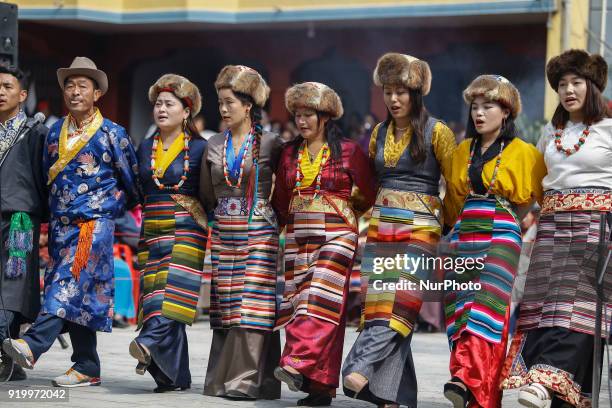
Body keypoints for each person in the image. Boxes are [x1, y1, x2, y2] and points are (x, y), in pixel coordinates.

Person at [2, 56, 139, 387]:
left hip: (93, 224)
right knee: (79, 292)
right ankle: (87, 365)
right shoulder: (53, 133)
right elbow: (46, 183)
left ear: (97, 93)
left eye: (83, 86)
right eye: (70, 85)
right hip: (63, 227)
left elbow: (132, 184)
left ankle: (33, 345)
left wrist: (107, 212)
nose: (75, 92)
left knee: (69, 282)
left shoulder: (112, 134)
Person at [342, 52, 456, 408]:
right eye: (388, 91)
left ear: (417, 93)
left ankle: (358, 365)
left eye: (401, 91)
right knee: (380, 304)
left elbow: (454, 185)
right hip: (382, 224)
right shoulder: (377, 133)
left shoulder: (438, 131)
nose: (393, 99)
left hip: (422, 224)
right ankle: (395, 396)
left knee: (402, 302)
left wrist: (447, 225)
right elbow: (370, 183)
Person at [501, 49, 612, 408]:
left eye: (576, 82)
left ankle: (546, 376)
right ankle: (568, 394)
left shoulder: (609, 127)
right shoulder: (552, 131)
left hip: (596, 227)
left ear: (592, 86)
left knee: (577, 308)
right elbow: (536, 183)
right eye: (562, 84)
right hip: (551, 228)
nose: (568, 90)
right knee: (548, 309)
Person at [442, 75, 545, 408]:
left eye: (488, 106)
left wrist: (506, 215)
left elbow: (531, 199)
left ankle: (465, 376)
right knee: (461, 309)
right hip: (464, 231)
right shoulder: (461, 151)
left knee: (488, 308)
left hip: (501, 230)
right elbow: (454, 202)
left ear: (507, 111)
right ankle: (479, 395)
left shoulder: (524, 152)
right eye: (475, 106)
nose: (479, 113)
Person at [272, 82, 376, 406]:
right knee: (308, 302)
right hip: (298, 237)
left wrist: (348, 212)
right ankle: (319, 386)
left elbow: (370, 192)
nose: (301, 121)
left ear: (326, 116)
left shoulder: (349, 150)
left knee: (318, 297)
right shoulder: (289, 153)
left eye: (309, 114)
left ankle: (295, 360)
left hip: (337, 235)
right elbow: (281, 199)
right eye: (298, 114)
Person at [200, 65, 283, 400]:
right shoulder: (213, 144)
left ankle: (247, 380)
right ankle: (222, 379)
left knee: (253, 302)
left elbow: (287, 187)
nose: (223, 109)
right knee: (226, 302)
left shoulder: (272, 144)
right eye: (220, 102)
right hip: (223, 230)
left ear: (248, 105)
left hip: (259, 230)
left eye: (230, 102)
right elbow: (207, 193)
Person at [129, 74, 208, 393]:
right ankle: (172, 376)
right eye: (158, 104)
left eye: (169, 104)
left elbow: (210, 193)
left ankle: (147, 341)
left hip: (187, 225)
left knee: (172, 295)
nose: (161, 109)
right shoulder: (145, 146)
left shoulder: (201, 148)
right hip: (153, 225)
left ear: (186, 111)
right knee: (153, 297)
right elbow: (137, 188)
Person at [0, 64, 48, 382]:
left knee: (13, 283)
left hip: (19, 217)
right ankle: (8, 360)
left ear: (22, 94)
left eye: (7, 86)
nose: (0, 92)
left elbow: (44, 179)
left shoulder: (36, 132)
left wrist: (43, 223)